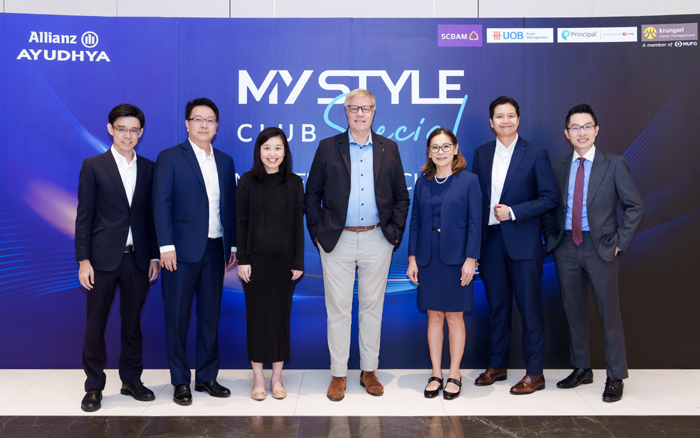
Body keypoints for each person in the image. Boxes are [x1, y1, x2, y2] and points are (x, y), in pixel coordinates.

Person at [305, 89, 410, 401]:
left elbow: (401, 196)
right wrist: (317, 233)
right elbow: (312, 194)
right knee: (338, 309)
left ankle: (369, 371)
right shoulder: (327, 147)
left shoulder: (389, 148)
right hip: (337, 240)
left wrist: (393, 234)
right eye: (354, 108)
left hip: (378, 238)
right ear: (346, 112)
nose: (360, 114)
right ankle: (338, 374)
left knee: (372, 308)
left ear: (374, 111)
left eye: (366, 108)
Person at [543, 104, 643, 402]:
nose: (581, 132)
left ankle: (615, 376)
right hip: (565, 247)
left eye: (587, 126)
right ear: (566, 133)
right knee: (573, 310)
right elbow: (549, 206)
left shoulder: (614, 164)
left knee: (608, 312)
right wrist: (552, 236)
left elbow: (634, 206)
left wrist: (619, 242)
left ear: (596, 130)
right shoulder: (559, 166)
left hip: (601, 247)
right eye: (575, 127)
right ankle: (582, 368)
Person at [471, 96, 559, 395]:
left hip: (524, 242)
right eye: (499, 116)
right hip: (491, 242)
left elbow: (550, 197)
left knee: (529, 308)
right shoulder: (482, 153)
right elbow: (476, 199)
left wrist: (514, 211)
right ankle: (497, 366)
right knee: (497, 308)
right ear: (491, 122)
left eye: (510, 115)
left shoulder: (535, 153)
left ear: (519, 120)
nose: (505, 121)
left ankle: (535, 373)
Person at [75, 103, 160, 412]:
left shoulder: (149, 168)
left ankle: (131, 380)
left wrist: (153, 256)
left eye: (134, 130)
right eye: (122, 128)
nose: (128, 135)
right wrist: (83, 260)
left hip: (138, 260)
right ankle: (94, 386)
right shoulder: (93, 165)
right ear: (111, 129)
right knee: (95, 325)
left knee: (132, 323)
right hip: (101, 260)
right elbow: (84, 216)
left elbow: (151, 217)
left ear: (141, 133)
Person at [153, 97, 237, 405]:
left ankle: (206, 377)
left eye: (210, 120)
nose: (204, 125)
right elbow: (160, 204)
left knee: (209, 317)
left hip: (215, 250)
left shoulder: (225, 161)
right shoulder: (170, 157)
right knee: (177, 319)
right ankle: (180, 381)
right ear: (187, 124)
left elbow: (229, 208)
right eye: (198, 119)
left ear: (217, 126)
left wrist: (233, 245)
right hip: (179, 254)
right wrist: (165, 246)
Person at [406, 128, 482, 400]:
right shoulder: (422, 183)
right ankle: (436, 373)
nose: (441, 152)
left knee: (454, 316)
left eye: (446, 146)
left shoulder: (469, 181)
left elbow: (475, 223)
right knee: (434, 316)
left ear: (455, 149)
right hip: (428, 259)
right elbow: (415, 223)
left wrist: (471, 259)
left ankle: (454, 373)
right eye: (435, 147)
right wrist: (412, 258)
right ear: (429, 152)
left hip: (457, 259)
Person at [236, 127, 305, 401]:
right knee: (256, 319)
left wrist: (298, 260)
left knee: (279, 319)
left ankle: (276, 378)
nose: (272, 153)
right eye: (267, 148)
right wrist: (243, 259)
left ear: (285, 152)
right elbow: (240, 223)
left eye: (277, 148)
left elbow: (298, 226)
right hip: (254, 264)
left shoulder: (295, 183)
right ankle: (257, 379)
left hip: (284, 264)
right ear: (259, 151)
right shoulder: (247, 181)